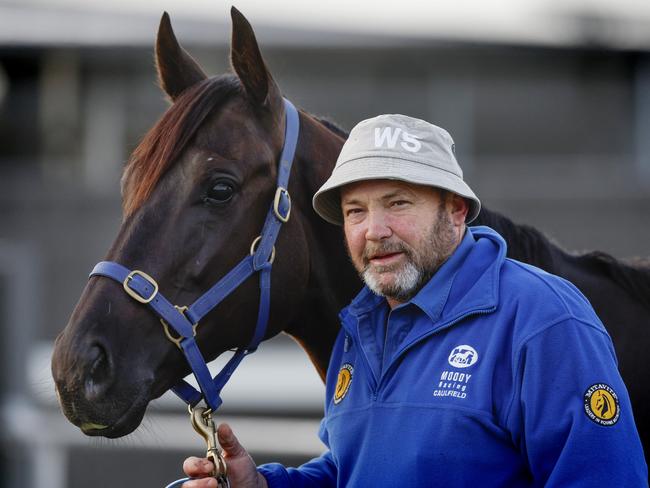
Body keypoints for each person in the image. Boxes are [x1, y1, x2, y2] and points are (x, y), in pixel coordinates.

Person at [181, 115, 648, 487]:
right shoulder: (359, 327)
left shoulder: (542, 319)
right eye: (355, 211)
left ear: (456, 210)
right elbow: (354, 472)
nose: (374, 231)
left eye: (398, 203)